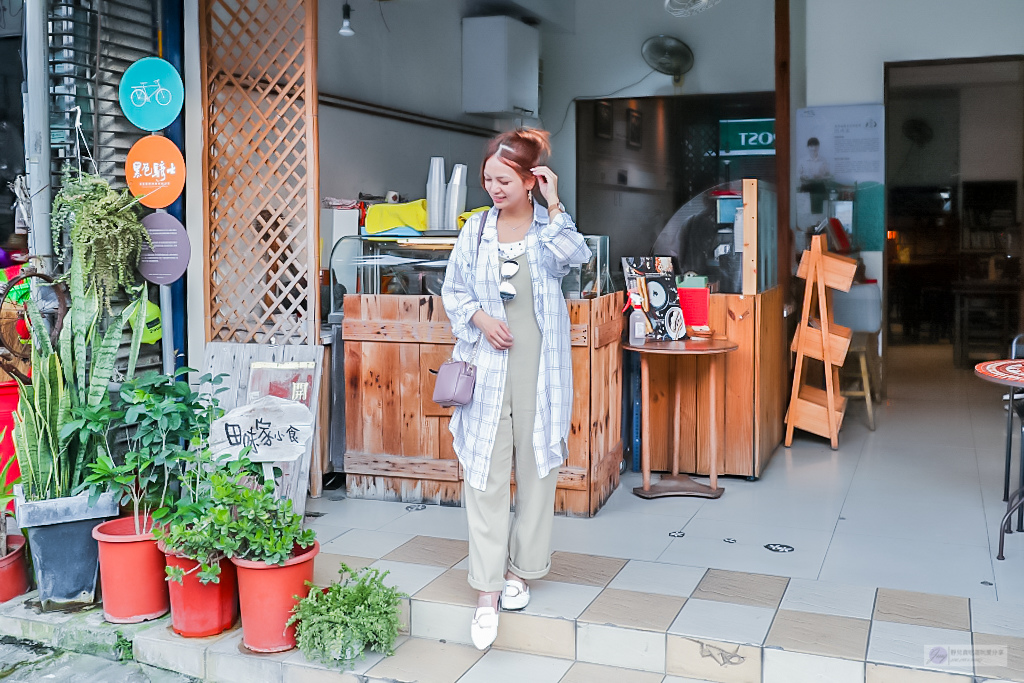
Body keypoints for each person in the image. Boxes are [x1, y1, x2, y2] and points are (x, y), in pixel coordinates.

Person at [441, 129, 591, 650]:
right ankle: (486, 590)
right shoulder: (476, 229)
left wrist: (554, 202)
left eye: (504, 179)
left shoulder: (550, 229)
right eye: (488, 178)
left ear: (530, 180)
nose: (493, 188)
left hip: (540, 371)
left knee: (536, 470)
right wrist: (481, 318)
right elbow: (453, 289)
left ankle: (522, 571)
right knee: (483, 474)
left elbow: (577, 257)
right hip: (487, 368)